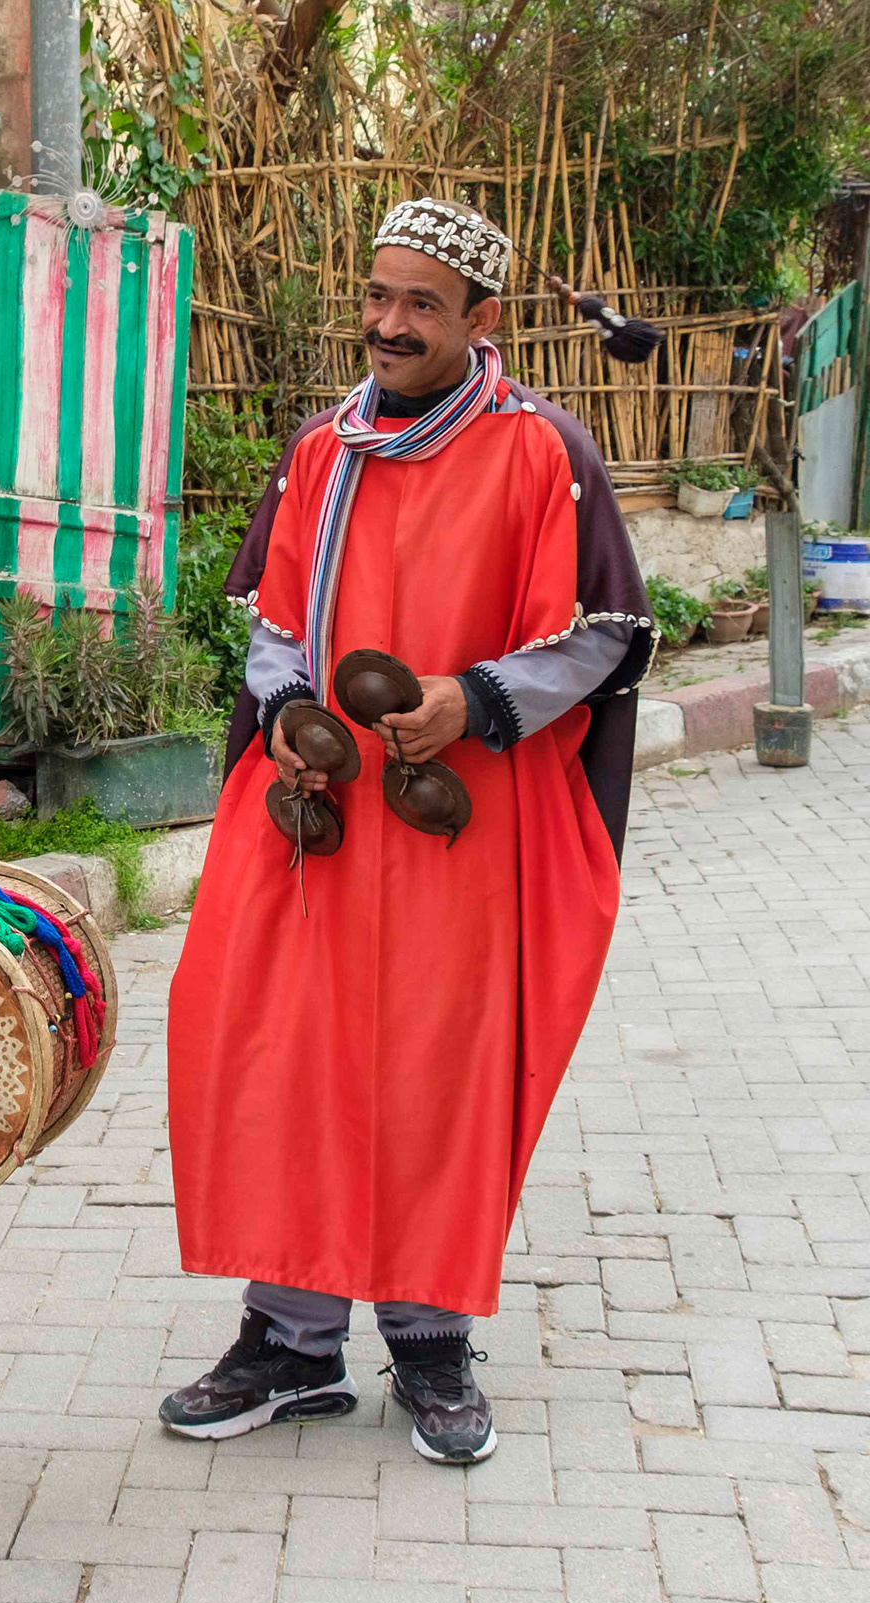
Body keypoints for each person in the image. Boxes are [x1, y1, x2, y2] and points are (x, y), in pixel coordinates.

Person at [161, 200, 654, 1464]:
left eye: (420, 305)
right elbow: (276, 621)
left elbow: (603, 634)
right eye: (378, 297)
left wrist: (477, 702)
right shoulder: (323, 449)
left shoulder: (544, 452)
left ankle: (430, 1342)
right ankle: (291, 1339)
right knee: (286, 1058)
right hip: (318, 825)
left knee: (438, 1072)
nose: (387, 324)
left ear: (481, 319)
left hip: (459, 832)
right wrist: (278, 714)